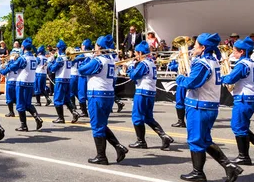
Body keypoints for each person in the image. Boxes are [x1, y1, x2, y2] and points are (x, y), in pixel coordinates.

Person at [177, 33, 243, 182]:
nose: (193, 47)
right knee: (205, 140)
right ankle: (229, 166)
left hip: (199, 106)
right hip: (209, 106)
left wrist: (180, 77)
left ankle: (198, 172)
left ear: (203, 47)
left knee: (195, 140)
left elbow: (192, 83)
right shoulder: (212, 61)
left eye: (195, 45)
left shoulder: (203, 63)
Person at [78, 35, 128, 165]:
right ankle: (118, 147)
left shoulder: (98, 60)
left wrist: (86, 60)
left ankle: (101, 156)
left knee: (96, 126)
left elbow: (81, 70)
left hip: (97, 95)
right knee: (101, 124)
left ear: (99, 47)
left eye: (96, 45)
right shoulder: (110, 60)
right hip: (108, 95)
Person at [126, 41, 174, 150]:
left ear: (140, 53)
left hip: (142, 92)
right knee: (148, 118)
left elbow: (134, 76)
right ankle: (163, 136)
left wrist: (130, 67)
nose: (135, 55)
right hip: (150, 92)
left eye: (136, 53)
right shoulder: (151, 62)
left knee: (137, 117)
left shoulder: (143, 63)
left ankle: (141, 141)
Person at [221, 36, 254, 165]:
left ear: (242, 51)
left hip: (244, 98)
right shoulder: (251, 62)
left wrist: (221, 77)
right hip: (250, 97)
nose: (233, 53)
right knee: (243, 126)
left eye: (235, 51)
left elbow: (231, 79)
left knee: (238, 126)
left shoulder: (242, 64)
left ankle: (244, 157)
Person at [5, 38, 43, 132]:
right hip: (31, 83)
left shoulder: (23, 58)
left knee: (20, 104)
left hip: (22, 82)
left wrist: (11, 61)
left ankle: (24, 125)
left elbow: (14, 67)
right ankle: (36, 117)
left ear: (23, 47)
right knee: (28, 103)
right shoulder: (35, 58)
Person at [49, 40, 80, 124]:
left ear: (59, 49)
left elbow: (52, 69)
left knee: (57, 100)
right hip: (67, 79)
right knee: (66, 99)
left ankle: (61, 118)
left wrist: (50, 63)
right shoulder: (69, 58)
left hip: (60, 80)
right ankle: (74, 112)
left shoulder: (60, 58)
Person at [0, 53, 19, 117]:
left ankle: (11, 112)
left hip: (11, 82)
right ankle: (20, 111)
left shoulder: (10, 64)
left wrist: (1, 68)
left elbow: (3, 72)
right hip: (18, 81)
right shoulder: (20, 63)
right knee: (17, 98)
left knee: (9, 98)